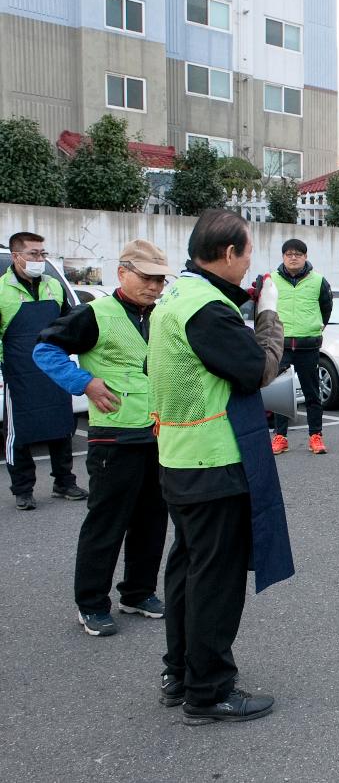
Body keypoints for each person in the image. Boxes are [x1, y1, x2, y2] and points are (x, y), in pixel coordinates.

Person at [149, 209, 291, 725]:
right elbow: (256, 369)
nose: (251, 259)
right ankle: (208, 691)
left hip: (179, 457)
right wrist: (268, 315)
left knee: (188, 568)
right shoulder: (208, 309)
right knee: (216, 579)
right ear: (229, 254)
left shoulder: (177, 294)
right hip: (214, 460)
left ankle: (181, 674)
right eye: (248, 251)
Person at [34, 240, 173, 637]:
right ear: (123, 273)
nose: (154, 286)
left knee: (152, 519)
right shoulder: (95, 314)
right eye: (146, 278)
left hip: (157, 434)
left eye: (160, 280)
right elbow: (45, 351)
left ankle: (138, 592)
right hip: (113, 437)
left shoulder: (160, 316)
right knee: (107, 522)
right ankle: (91, 603)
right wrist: (85, 383)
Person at [2, 231, 86, 510]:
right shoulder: (1, 290)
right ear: (16, 257)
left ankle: (64, 482)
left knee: (62, 427)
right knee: (20, 433)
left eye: (42, 254)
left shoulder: (54, 285)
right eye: (34, 254)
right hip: (19, 371)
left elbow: (69, 322)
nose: (40, 259)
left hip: (55, 369)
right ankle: (23, 490)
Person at [261, 239, 332, 456]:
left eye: (298, 254)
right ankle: (280, 437)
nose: (294, 257)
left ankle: (315, 436)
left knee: (312, 392)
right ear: (283, 257)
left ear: (305, 256)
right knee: (280, 393)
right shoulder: (270, 280)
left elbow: (326, 307)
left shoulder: (318, 281)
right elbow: (263, 307)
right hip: (280, 346)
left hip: (307, 345)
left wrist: (315, 327)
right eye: (289, 254)